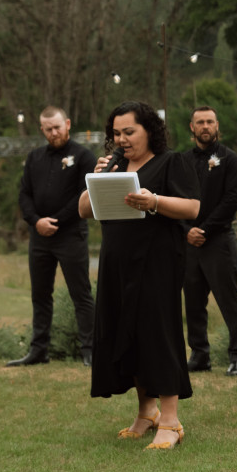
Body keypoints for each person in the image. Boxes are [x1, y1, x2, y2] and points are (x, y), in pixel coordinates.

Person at [79, 101, 200, 450]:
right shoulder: (114, 164)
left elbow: (192, 207)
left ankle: (171, 420)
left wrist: (155, 202)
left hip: (157, 262)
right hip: (117, 262)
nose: (122, 139)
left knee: (157, 334)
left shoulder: (171, 162)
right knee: (125, 332)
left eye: (129, 132)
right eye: (116, 133)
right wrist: (98, 178)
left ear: (149, 130)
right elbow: (84, 210)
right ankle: (146, 414)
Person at [7, 106, 96, 368]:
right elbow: (24, 194)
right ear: (42, 130)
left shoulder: (83, 156)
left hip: (70, 234)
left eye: (57, 127)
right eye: (48, 129)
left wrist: (55, 221)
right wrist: (36, 222)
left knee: (81, 294)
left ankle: (90, 351)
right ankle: (38, 350)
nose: (54, 132)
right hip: (40, 237)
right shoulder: (34, 157)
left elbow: (84, 194)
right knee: (40, 294)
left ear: (67, 124)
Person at [182, 106, 237, 377]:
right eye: (200, 122)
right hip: (188, 242)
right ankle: (199, 355)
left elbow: (232, 200)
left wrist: (205, 230)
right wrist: (186, 230)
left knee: (229, 299)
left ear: (217, 125)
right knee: (193, 302)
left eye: (210, 121)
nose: (205, 126)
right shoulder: (182, 161)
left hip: (219, 240)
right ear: (192, 127)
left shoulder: (230, 160)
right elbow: (173, 197)